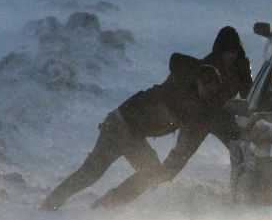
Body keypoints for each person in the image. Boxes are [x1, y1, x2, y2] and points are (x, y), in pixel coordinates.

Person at [93, 27, 254, 208]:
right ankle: (119, 200)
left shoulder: (240, 69)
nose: (230, 56)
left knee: (242, 153)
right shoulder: (207, 66)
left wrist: (244, 78)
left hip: (221, 118)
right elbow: (180, 68)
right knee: (172, 165)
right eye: (227, 52)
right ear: (220, 51)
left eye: (234, 52)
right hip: (196, 120)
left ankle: (245, 194)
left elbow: (249, 94)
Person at [41, 54, 221, 210]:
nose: (210, 93)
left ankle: (96, 207)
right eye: (209, 87)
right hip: (120, 126)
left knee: (147, 174)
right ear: (200, 81)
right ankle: (75, 206)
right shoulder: (179, 83)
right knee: (94, 172)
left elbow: (199, 128)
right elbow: (176, 59)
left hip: (127, 131)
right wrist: (200, 69)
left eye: (213, 91)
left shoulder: (196, 103)